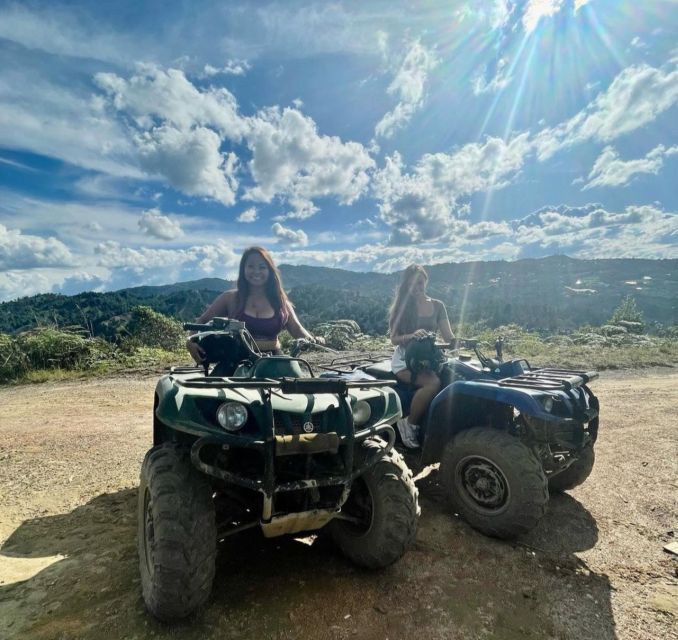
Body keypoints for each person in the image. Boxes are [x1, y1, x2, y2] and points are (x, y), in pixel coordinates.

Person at [187, 246, 317, 363]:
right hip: (235, 362)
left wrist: (314, 341)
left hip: (273, 362)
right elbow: (202, 320)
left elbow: (297, 329)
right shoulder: (230, 298)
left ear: (270, 271)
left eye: (262, 267)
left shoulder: (281, 303)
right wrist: (191, 342)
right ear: (243, 269)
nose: (256, 271)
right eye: (250, 266)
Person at [389, 264, 455, 448]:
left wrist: (460, 342)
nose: (417, 288)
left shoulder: (438, 305)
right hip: (406, 360)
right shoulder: (403, 307)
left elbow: (449, 337)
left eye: (420, 283)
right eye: (412, 285)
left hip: (431, 359)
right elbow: (394, 339)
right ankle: (409, 423)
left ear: (425, 281)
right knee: (432, 383)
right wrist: (411, 336)